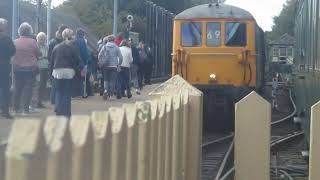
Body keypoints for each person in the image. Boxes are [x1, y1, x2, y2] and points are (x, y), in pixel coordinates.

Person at [12, 22, 41, 115]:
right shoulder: (33, 42)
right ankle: (25, 110)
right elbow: (38, 54)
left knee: (17, 88)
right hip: (30, 69)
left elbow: (12, 54)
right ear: (29, 31)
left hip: (17, 68)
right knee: (28, 89)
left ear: (19, 31)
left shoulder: (15, 41)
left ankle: (16, 109)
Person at [51, 29, 80, 117]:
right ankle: (66, 112)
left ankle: (58, 110)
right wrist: (77, 70)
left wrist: (50, 72)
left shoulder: (56, 47)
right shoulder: (73, 47)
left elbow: (51, 61)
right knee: (67, 92)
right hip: (68, 71)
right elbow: (77, 60)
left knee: (59, 91)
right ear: (71, 36)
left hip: (57, 71)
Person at [98, 35, 123, 100]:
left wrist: (101, 62)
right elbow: (120, 57)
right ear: (114, 40)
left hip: (106, 66)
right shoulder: (116, 47)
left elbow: (99, 55)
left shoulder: (105, 46)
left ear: (108, 40)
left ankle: (106, 90)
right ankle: (111, 95)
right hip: (114, 66)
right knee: (112, 81)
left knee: (106, 80)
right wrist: (119, 64)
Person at [0, 18, 16, 119]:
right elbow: (13, 51)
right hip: (4, 65)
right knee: (5, 88)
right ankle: (5, 111)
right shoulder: (7, 38)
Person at [48, 25, 68, 104]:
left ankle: (54, 100)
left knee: (55, 84)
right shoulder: (58, 43)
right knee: (57, 84)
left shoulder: (53, 42)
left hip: (55, 65)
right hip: (59, 66)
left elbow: (50, 56)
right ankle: (55, 100)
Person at [72, 28, 89, 98]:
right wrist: (85, 62)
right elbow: (85, 52)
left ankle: (74, 93)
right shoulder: (82, 41)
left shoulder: (74, 40)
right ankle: (80, 93)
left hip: (74, 61)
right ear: (82, 34)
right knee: (81, 78)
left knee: (75, 77)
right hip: (81, 61)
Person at [36, 32, 49, 108]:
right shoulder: (35, 47)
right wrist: (42, 57)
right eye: (41, 39)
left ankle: (40, 102)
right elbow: (33, 57)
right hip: (38, 68)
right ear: (37, 39)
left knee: (43, 85)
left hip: (45, 67)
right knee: (38, 86)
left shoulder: (46, 46)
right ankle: (36, 102)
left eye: (44, 39)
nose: (42, 41)